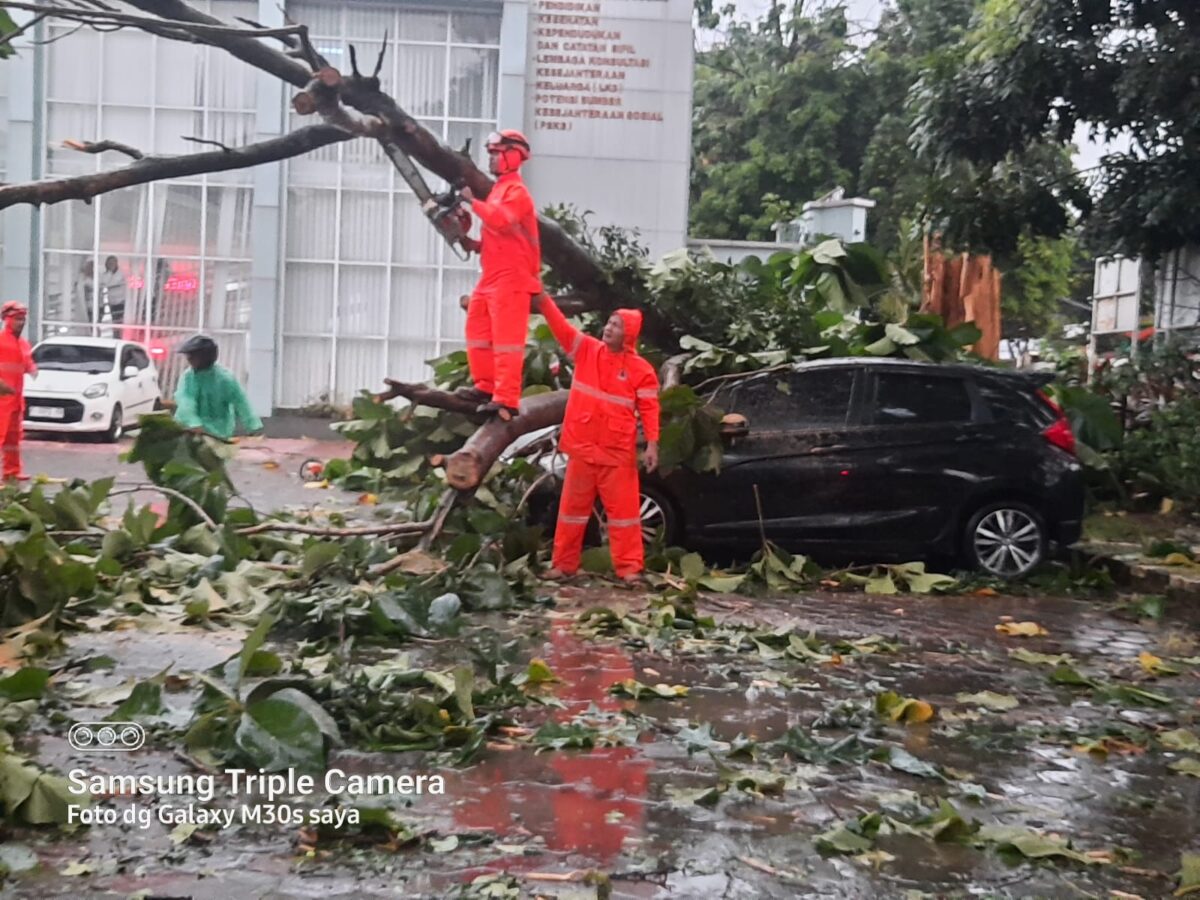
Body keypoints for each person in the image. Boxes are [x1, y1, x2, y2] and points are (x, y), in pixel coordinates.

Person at [535, 292, 660, 584]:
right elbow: (562, 328)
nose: (608, 328)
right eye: (608, 323)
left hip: (616, 452)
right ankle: (563, 565)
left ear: (627, 334)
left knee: (625, 516)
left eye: (616, 325)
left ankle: (630, 570)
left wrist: (653, 444)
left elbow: (651, 409)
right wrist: (544, 302)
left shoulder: (641, 371)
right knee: (571, 512)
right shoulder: (586, 350)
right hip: (582, 448)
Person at [457, 130, 542, 422]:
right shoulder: (499, 190)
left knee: (507, 340)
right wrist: (473, 244)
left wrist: (471, 202)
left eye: (496, 153)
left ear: (512, 155)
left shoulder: (516, 192)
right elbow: (499, 239)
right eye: (491, 153)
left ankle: (506, 397)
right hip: (491, 276)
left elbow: (501, 221)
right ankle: (485, 385)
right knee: (477, 330)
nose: (491, 159)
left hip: (512, 278)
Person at [172, 334, 263, 441]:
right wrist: (193, 423)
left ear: (206, 357)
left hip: (219, 431)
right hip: (188, 430)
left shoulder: (225, 378)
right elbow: (185, 401)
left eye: (193, 356)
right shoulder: (188, 377)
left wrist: (253, 425)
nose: (189, 359)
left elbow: (241, 401)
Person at [0, 302, 36, 482]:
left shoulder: (23, 343)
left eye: (22, 319)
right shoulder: (1, 341)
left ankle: (12, 471)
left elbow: (27, 361)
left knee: (12, 440)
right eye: (17, 319)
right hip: (1, 400)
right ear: (7, 320)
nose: (20, 323)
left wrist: (32, 369)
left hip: (15, 400)